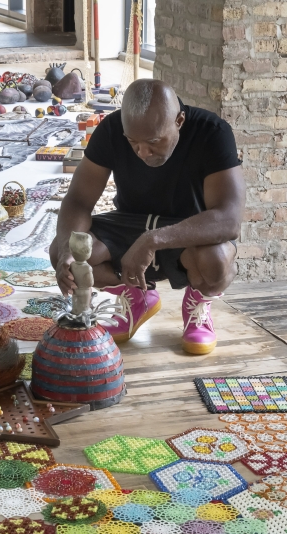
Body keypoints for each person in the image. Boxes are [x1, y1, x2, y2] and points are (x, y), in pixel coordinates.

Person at [50, 79, 245, 355]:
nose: (142, 152)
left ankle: (198, 300)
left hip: (188, 232)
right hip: (129, 225)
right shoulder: (111, 129)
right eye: (133, 142)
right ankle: (138, 294)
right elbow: (78, 200)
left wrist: (152, 240)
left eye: (154, 141)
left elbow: (229, 220)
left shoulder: (212, 132)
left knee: (215, 261)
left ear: (179, 121)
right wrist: (69, 252)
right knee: (64, 249)